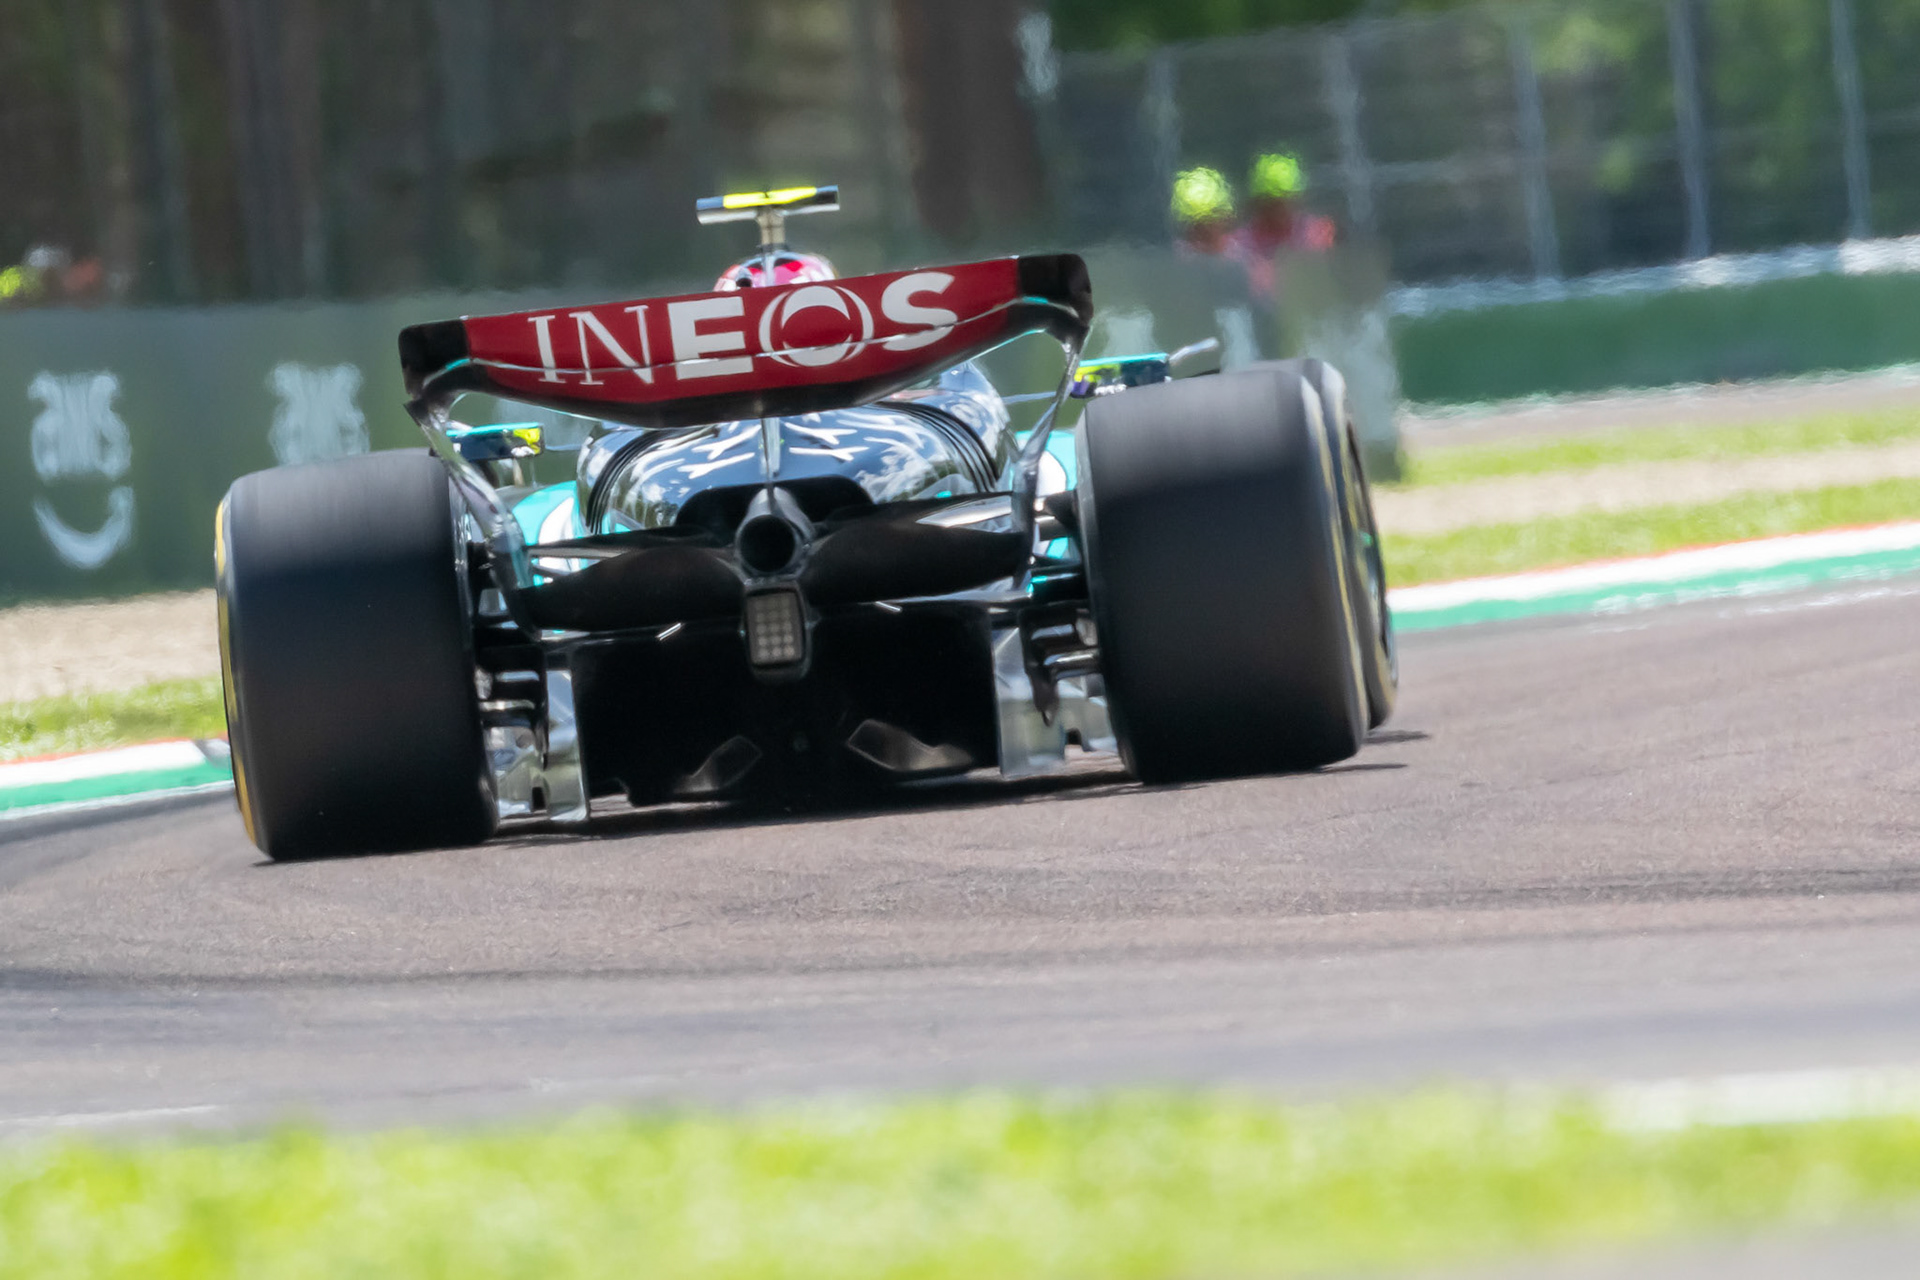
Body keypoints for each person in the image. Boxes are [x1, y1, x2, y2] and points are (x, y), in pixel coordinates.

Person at [1170, 166, 1237, 257]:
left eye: (1211, 219)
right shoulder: (1177, 255)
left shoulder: (1237, 253)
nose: (1206, 229)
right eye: (1199, 224)